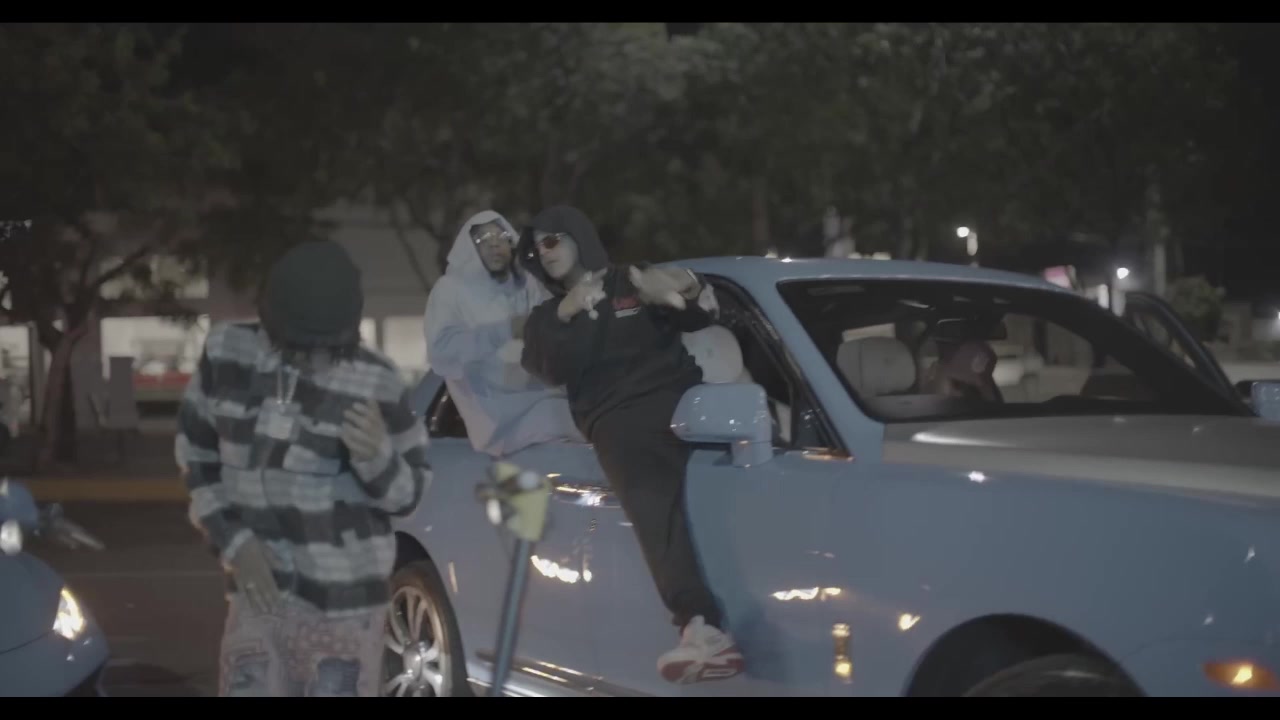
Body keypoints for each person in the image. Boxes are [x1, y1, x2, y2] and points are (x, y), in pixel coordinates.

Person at [176, 240, 430, 697]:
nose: (316, 360)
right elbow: (196, 456)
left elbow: (408, 495)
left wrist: (377, 456)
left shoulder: (375, 379)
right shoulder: (228, 355)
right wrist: (235, 543)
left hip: (345, 611)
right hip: (258, 601)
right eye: (301, 347)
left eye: (329, 348)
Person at [516, 205, 744, 685]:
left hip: (691, 402)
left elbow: (705, 314)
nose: (544, 252)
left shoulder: (632, 280)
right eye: (536, 248)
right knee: (650, 501)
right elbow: (545, 365)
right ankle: (700, 628)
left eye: (552, 240)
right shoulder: (545, 317)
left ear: (578, 236)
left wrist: (682, 284)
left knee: (766, 465)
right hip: (621, 423)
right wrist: (567, 311)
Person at [423, 210, 583, 456]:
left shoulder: (526, 284)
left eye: (502, 237)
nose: (495, 244)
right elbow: (442, 351)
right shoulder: (450, 291)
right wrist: (506, 329)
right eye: (484, 239)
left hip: (549, 397)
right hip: (503, 422)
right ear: (469, 248)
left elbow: (557, 324)